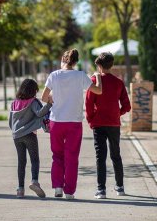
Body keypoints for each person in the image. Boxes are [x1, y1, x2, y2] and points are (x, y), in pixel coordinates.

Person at [41, 48, 102, 199]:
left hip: (56, 121)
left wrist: (52, 100)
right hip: (74, 122)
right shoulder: (81, 75)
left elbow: (43, 97)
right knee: (72, 157)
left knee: (57, 156)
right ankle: (69, 192)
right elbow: (98, 91)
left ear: (63, 60)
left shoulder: (54, 75)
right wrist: (97, 76)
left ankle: (57, 188)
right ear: (76, 62)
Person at [85, 52, 131, 199]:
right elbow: (127, 105)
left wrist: (91, 120)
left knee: (100, 157)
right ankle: (120, 187)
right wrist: (118, 113)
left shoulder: (93, 81)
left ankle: (101, 190)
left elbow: (88, 103)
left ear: (98, 66)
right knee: (116, 155)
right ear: (112, 65)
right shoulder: (118, 83)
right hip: (114, 123)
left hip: (98, 124)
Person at [8, 79, 52, 198]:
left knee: (21, 162)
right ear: (33, 90)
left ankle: (20, 190)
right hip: (30, 135)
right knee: (34, 160)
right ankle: (34, 181)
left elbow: (10, 122)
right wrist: (49, 104)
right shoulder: (33, 102)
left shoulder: (14, 103)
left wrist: (15, 131)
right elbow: (39, 113)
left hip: (16, 136)